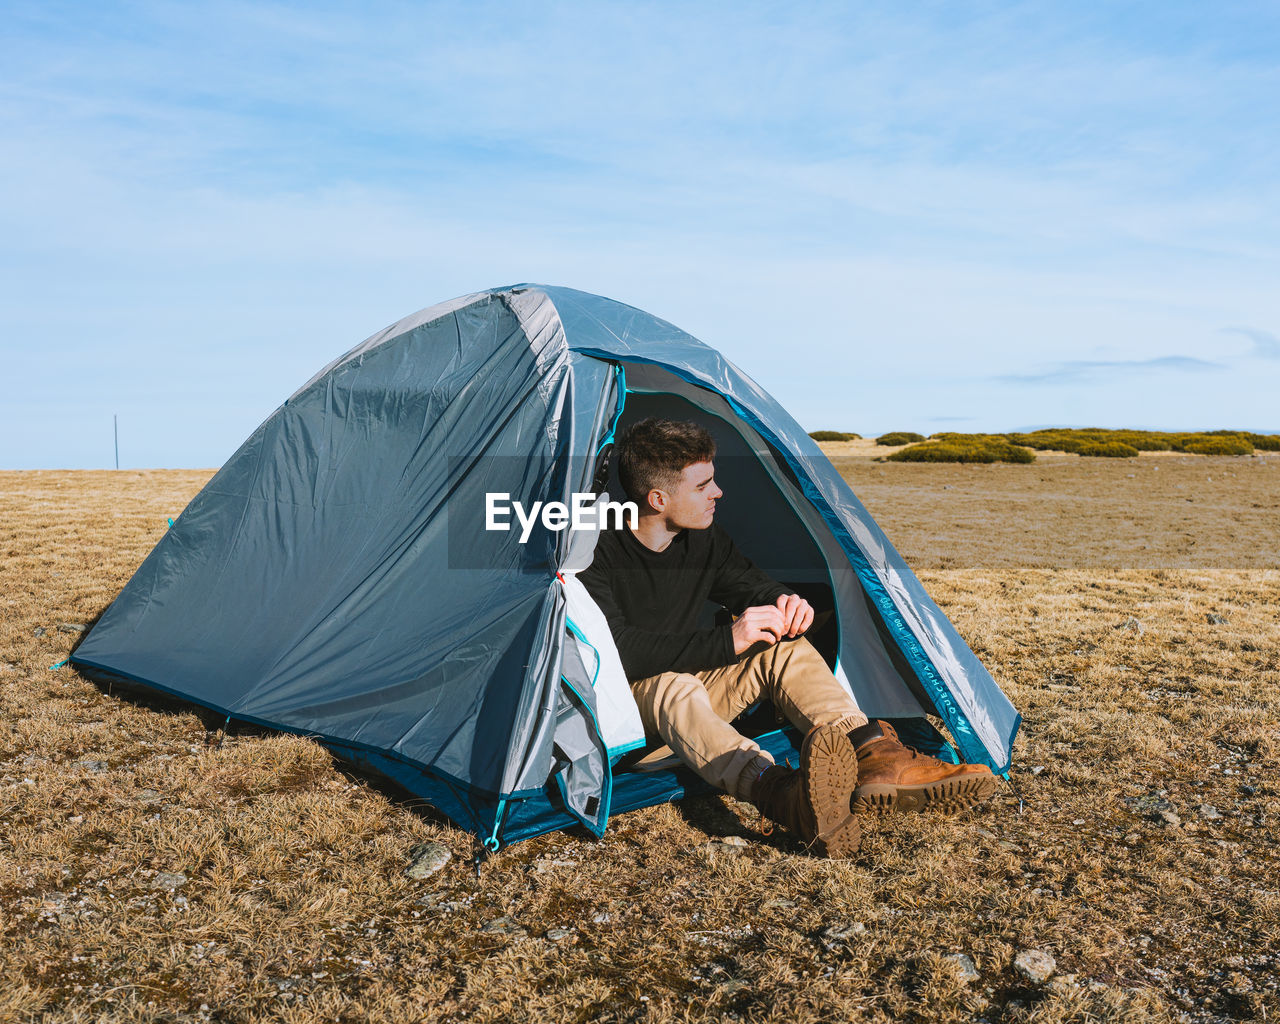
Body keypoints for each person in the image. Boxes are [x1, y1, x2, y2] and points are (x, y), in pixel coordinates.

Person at [579, 418, 997, 857]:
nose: (718, 492)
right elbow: (619, 652)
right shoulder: (594, 550)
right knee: (674, 684)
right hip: (630, 718)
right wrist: (729, 641)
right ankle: (779, 791)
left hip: (698, 694)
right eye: (703, 485)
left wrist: (784, 601)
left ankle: (873, 755)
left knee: (782, 647)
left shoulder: (700, 539)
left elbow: (747, 583)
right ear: (658, 498)